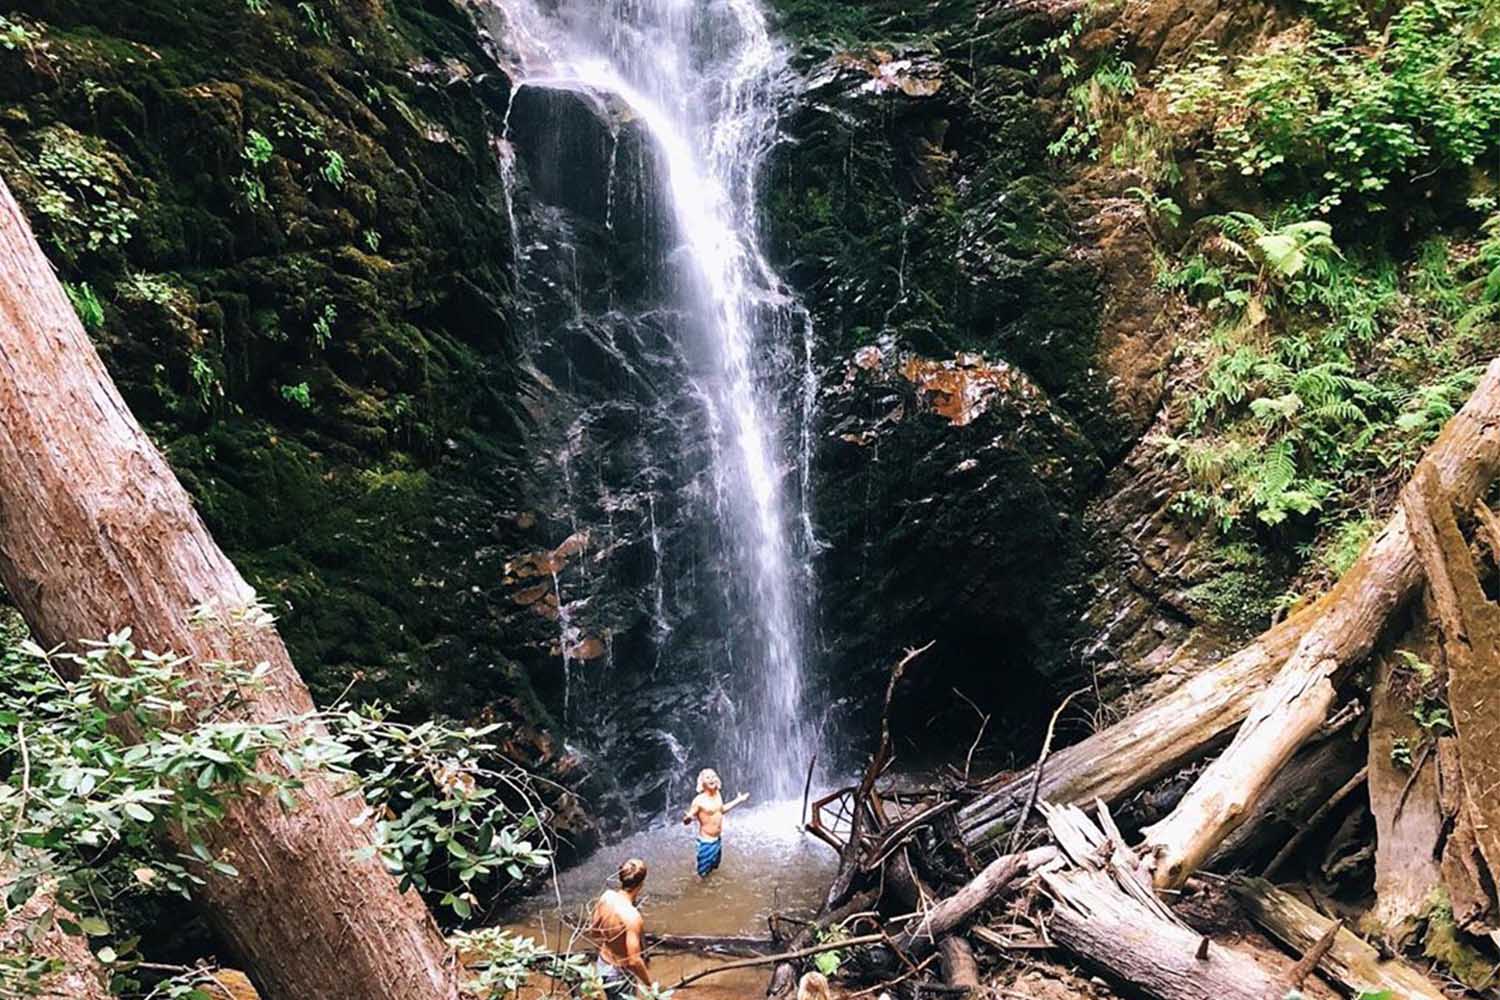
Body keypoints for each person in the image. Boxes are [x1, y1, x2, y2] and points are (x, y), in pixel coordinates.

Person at [588, 858, 652, 998]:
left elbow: (594, 932)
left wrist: (613, 942)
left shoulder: (607, 897)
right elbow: (634, 960)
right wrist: (649, 985)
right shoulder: (632, 917)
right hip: (619, 974)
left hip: (602, 963)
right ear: (641, 884)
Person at [682, 767, 748, 878]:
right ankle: (699, 892)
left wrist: (738, 800)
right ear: (703, 783)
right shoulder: (699, 801)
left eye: (713, 776)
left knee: (714, 868)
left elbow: (721, 810)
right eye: (708, 777)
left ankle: (711, 891)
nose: (711, 779)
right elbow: (687, 819)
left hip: (717, 840)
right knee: (702, 874)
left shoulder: (718, 794)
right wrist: (687, 818)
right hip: (706, 842)